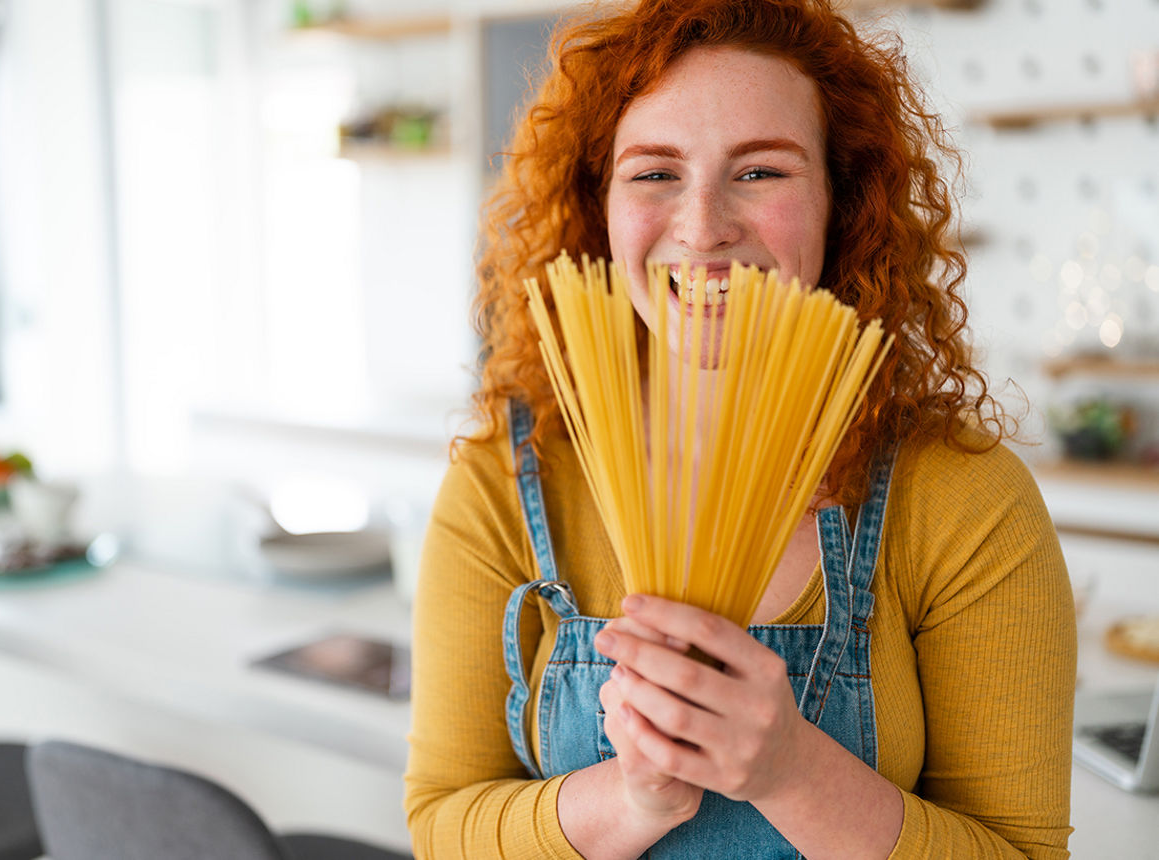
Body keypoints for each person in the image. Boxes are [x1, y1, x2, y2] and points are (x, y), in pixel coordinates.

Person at [404, 1, 1076, 857]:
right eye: (654, 173)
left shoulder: (962, 495)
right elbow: (440, 827)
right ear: (598, 208)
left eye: (760, 172)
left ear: (844, 199)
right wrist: (631, 798)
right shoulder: (510, 478)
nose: (702, 227)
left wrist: (792, 770)